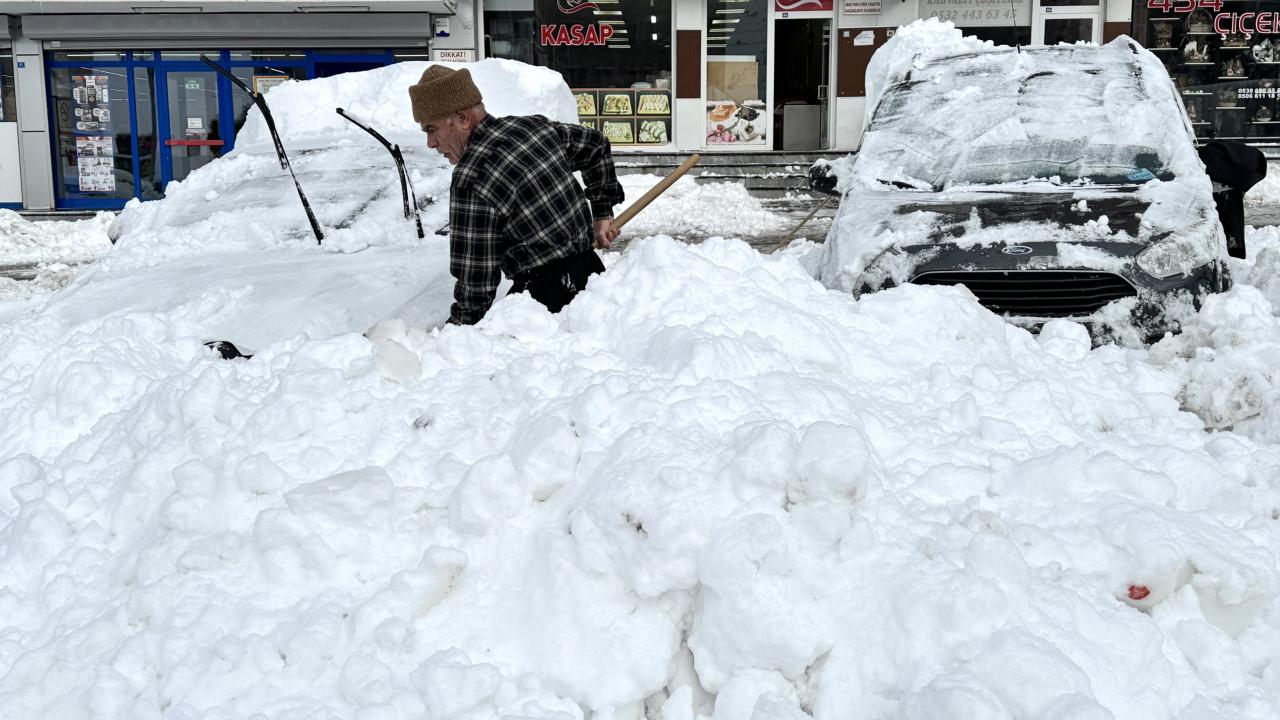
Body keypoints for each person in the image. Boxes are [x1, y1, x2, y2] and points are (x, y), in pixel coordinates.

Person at [408, 65, 625, 325]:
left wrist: (455, 336)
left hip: (543, 308)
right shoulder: (532, 128)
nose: (430, 143)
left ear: (463, 118)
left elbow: (476, 285)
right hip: (592, 279)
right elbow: (595, 145)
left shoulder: (473, 177)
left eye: (431, 129)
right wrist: (602, 212)